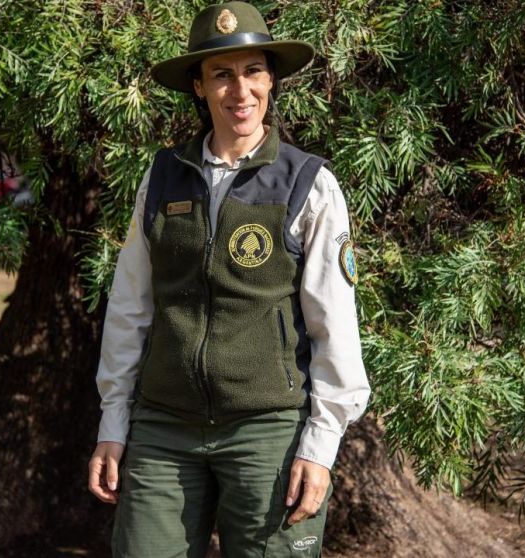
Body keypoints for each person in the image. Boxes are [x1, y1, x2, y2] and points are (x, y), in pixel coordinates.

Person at [88, 2, 370, 556]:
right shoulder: (162, 177)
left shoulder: (308, 184)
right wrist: (113, 422)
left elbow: (334, 325)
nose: (240, 90)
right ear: (199, 86)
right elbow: (129, 308)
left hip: (268, 431)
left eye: (253, 72)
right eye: (222, 74)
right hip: (164, 428)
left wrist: (320, 445)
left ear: (271, 80)